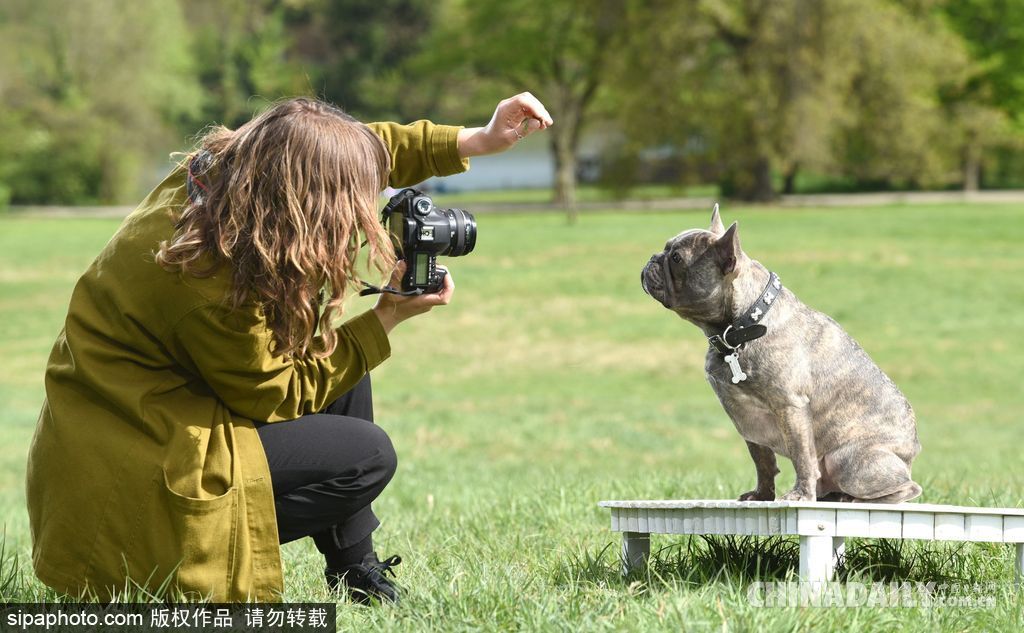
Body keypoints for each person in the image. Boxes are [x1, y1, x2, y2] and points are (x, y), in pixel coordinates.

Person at [26, 93, 553, 603]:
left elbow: (356, 151)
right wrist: (385, 319)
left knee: (344, 364)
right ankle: (209, 544)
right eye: (345, 207)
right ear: (303, 202)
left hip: (144, 410)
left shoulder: (225, 174)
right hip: (137, 465)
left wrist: (478, 139)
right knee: (366, 457)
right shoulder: (207, 276)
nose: (355, 217)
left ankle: (355, 571)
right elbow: (277, 393)